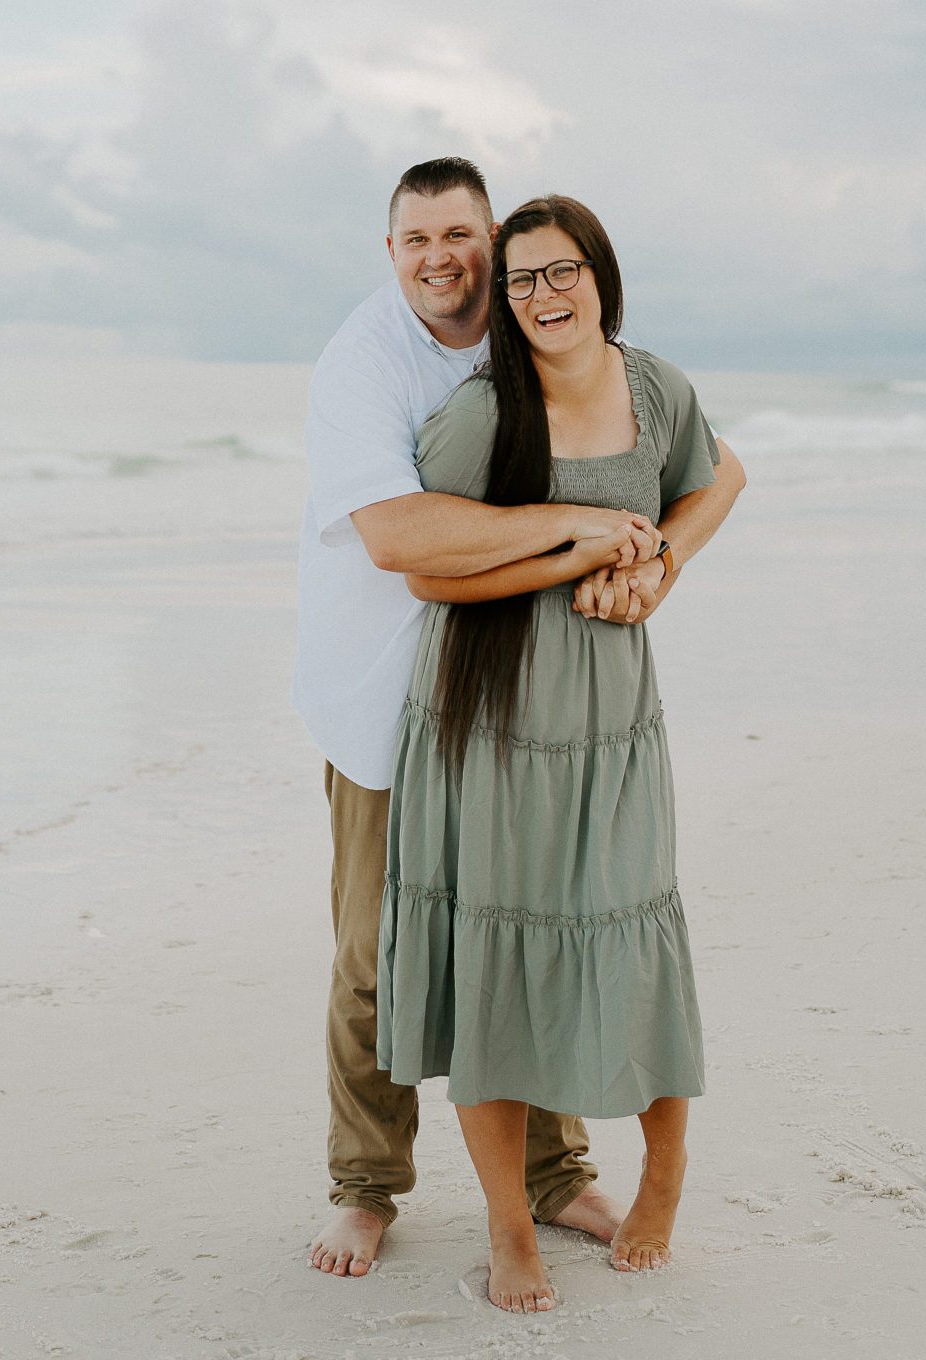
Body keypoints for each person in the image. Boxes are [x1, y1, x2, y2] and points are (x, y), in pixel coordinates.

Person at [293, 159, 703, 1279]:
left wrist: (650, 551)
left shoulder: (531, 327)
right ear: (391, 254)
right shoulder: (366, 362)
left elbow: (660, 462)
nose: (442, 257)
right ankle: (365, 1184)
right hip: (387, 696)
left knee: (536, 923)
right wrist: (580, 530)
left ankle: (554, 1172)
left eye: (460, 233)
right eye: (416, 237)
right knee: (383, 951)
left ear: (494, 239)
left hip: (530, 698)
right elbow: (400, 537)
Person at [375, 193, 745, 1313]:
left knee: (633, 940)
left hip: (611, 726)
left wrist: (657, 562)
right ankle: (507, 1222)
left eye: (562, 270)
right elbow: (427, 570)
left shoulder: (656, 388)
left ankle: (664, 1173)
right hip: (485, 722)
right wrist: (574, 543)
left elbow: (719, 477)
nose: (544, 295)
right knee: (491, 967)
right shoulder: (487, 412)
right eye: (524, 278)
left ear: (601, 274)